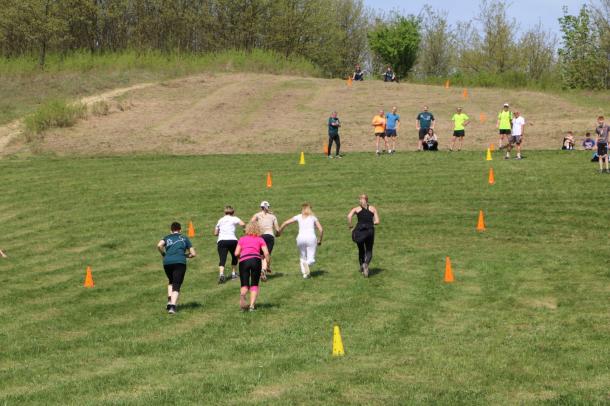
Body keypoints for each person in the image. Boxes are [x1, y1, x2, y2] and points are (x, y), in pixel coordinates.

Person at [157, 222, 197, 314]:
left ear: (171, 230)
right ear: (180, 230)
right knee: (177, 284)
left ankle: (169, 302)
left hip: (167, 262)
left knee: (171, 281)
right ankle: (173, 307)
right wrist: (187, 256)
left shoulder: (166, 237)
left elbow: (159, 245)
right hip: (179, 262)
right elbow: (193, 253)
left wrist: (163, 253)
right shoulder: (184, 238)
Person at [279, 203, 324, 279]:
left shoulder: (298, 216)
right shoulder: (313, 218)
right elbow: (321, 230)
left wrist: (279, 231)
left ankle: (305, 274)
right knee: (311, 259)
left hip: (300, 238)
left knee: (302, 257)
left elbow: (285, 223)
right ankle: (307, 264)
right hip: (311, 238)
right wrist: (320, 240)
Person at [235, 222, 270, 311]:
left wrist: (241, 258)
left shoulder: (242, 239)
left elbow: (236, 253)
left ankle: (243, 295)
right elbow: (266, 253)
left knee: (244, 284)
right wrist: (268, 265)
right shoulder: (260, 239)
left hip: (244, 261)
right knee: (254, 283)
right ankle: (251, 306)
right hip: (256, 260)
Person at [347, 194, 380, 278]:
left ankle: (362, 268)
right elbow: (377, 221)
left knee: (361, 250)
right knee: (369, 250)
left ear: (362, 200)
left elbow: (349, 216)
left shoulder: (356, 209)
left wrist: (350, 226)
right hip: (370, 231)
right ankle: (366, 264)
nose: (360, 201)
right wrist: (371, 223)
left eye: (360, 199)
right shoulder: (372, 208)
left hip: (360, 231)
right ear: (367, 200)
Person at [214, 206, 245, 284]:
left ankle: (221, 274)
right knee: (235, 256)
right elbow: (243, 224)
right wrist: (244, 228)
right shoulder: (234, 218)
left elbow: (215, 233)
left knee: (222, 258)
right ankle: (234, 274)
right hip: (232, 240)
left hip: (222, 241)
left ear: (225, 212)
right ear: (233, 212)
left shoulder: (220, 220)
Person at [251, 201, 279, 276]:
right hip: (270, 236)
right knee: (267, 253)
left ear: (261, 207)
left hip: (261, 236)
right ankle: (263, 269)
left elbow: (251, 222)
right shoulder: (273, 216)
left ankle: (262, 269)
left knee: (261, 254)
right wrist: (277, 234)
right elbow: (277, 229)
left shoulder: (257, 215)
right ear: (268, 207)